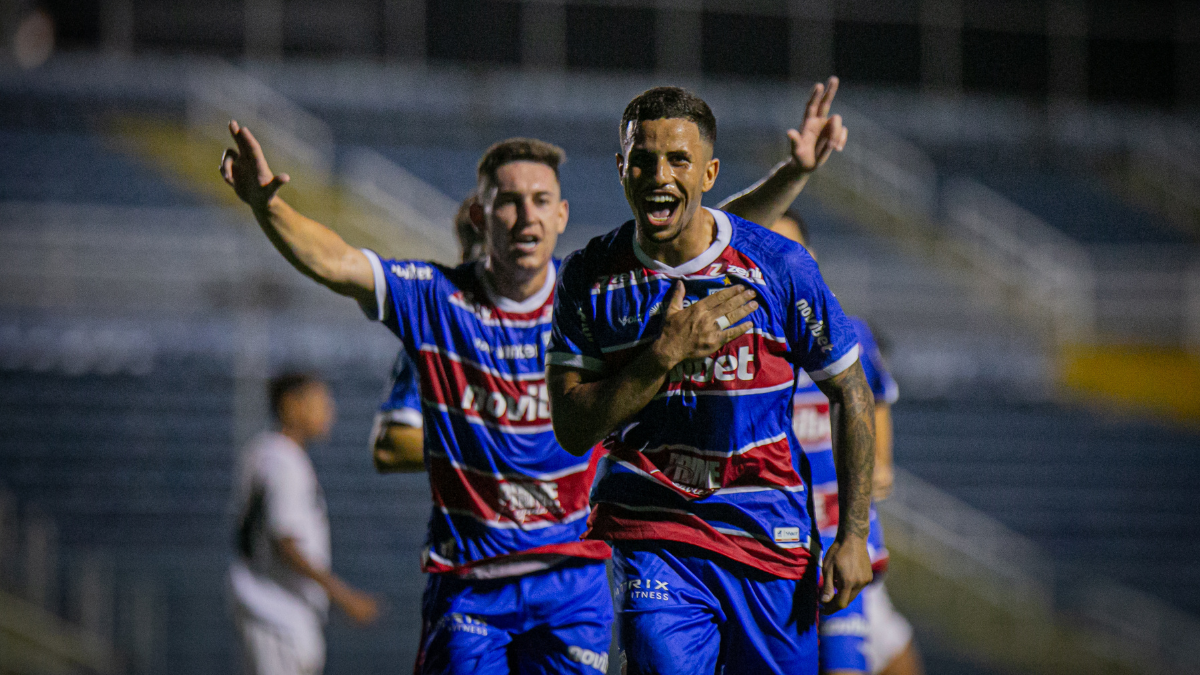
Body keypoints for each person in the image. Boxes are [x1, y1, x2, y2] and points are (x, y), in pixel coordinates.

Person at [219, 79, 845, 672]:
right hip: (471, 579)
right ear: (478, 215)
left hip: (572, 579)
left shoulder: (594, 291)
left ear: (562, 215)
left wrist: (795, 173)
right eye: (508, 203)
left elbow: (707, 229)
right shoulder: (435, 301)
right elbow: (338, 263)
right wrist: (265, 205)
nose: (525, 218)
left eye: (540, 201)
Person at [545, 83, 873, 675]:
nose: (658, 174)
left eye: (678, 160)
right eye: (642, 159)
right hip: (655, 530)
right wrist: (662, 354)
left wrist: (851, 537)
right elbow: (571, 429)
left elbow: (852, 392)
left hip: (767, 535)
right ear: (622, 169)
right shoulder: (588, 277)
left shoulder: (779, 266)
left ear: (710, 172)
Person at [769, 212, 923, 675]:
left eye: (789, 252)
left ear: (810, 259)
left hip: (840, 542)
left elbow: (875, 394)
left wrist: (881, 460)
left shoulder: (845, 332)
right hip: (774, 547)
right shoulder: (745, 347)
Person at [230, 372, 380, 675]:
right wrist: (343, 596)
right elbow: (285, 540)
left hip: (278, 611)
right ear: (290, 405)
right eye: (319, 402)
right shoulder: (284, 462)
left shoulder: (266, 451)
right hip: (277, 610)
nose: (329, 411)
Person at [372, 195, 482, 474]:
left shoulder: (561, 316)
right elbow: (390, 446)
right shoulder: (438, 329)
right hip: (476, 514)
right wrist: (491, 447)